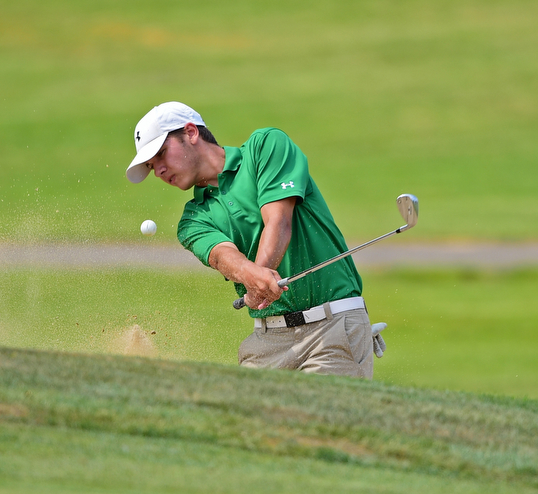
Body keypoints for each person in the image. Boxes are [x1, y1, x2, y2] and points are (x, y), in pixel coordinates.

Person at [126, 101, 384, 378]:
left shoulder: (266, 147)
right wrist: (252, 276)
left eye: (162, 154)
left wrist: (258, 280)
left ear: (191, 133)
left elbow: (279, 221)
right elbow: (224, 256)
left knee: (319, 419)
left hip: (332, 329)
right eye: (152, 167)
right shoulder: (192, 220)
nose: (160, 170)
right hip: (266, 341)